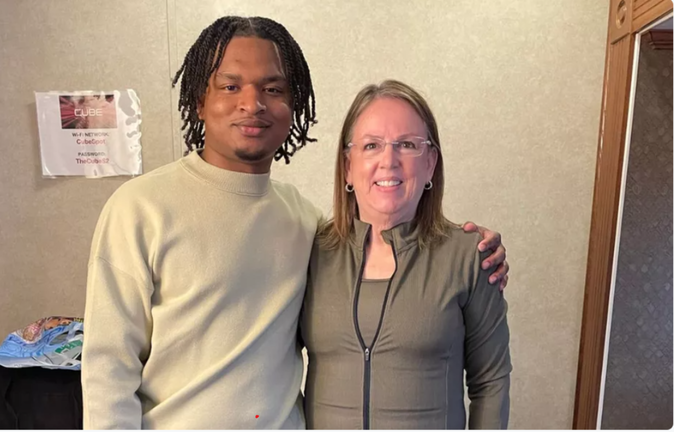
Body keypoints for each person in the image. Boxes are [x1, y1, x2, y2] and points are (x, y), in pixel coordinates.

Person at [81, 16, 509, 429]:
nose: (252, 104)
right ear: (199, 100)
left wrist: (475, 251)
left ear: (293, 104)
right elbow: (108, 369)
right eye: (230, 86)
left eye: (272, 89)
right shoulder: (140, 209)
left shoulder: (305, 224)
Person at [301, 80, 512, 429]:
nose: (389, 161)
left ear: (430, 163)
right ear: (347, 166)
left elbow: (491, 383)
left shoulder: (470, 257)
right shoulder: (309, 253)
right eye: (371, 145)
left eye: (407, 145)